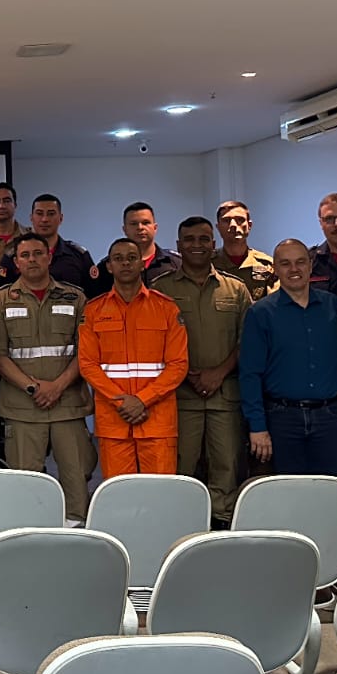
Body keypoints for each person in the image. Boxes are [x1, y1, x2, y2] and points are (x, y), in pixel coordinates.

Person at [0, 233, 95, 525]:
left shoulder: (76, 298)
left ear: (49, 257)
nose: (32, 259)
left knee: (77, 478)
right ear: (16, 262)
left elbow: (87, 352)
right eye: (25, 255)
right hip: (22, 408)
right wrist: (34, 388)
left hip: (68, 405)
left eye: (38, 253)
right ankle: (31, 538)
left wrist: (58, 386)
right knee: (26, 483)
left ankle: (77, 536)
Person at [152, 217, 252, 526]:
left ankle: (222, 524)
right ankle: (182, 524)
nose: (197, 244)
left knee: (227, 465)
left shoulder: (235, 289)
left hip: (224, 396)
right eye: (190, 239)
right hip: (180, 397)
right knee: (181, 466)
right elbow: (153, 342)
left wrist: (218, 373)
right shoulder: (160, 289)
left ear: (213, 244)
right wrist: (188, 374)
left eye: (204, 239)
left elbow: (247, 341)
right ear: (179, 246)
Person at [238, 239, 337, 480]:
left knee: (335, 490)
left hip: (331, 417)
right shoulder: (260, 313)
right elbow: (250, 374)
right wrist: (257, 427)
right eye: (285, 263)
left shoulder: (334, 306)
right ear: (275, 270)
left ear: (311, 265)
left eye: (300, 262)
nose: (294, 269)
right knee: (290, 494)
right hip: (283, 419)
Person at [77, 239, 189, 476]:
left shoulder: (166, 308)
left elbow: (178, 365)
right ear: (109, 266)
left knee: (160, 493)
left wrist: (142, 400)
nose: (125, 263)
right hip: (114, 420)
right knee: (118, 495)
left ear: (142, 264)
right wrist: (123, 402)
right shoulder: (94, 311)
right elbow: (88, 365)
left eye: (131, 257)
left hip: (156, 420)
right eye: (118, 258)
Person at [6, 193, 102, 296]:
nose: (45, 219)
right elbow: (4, 295)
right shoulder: (13, 254)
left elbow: (94, 296)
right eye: (39, 213)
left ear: (61, 218)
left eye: (51, 214)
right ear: (31, 218)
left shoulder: (79, 256)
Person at [213, 201, 276, 301]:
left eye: (240, 220)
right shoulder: (208, 264)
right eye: (226, 220)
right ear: (218, 227)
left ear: (249, 225)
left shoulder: (267, 265)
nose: (233, 225)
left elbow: (273, 304)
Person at [109, 202, 181, 288]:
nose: (140, 227)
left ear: (155, 228)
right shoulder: (111, 265)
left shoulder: (176, 263)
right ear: (125, 229)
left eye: (145, 223)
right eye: (133, 224)